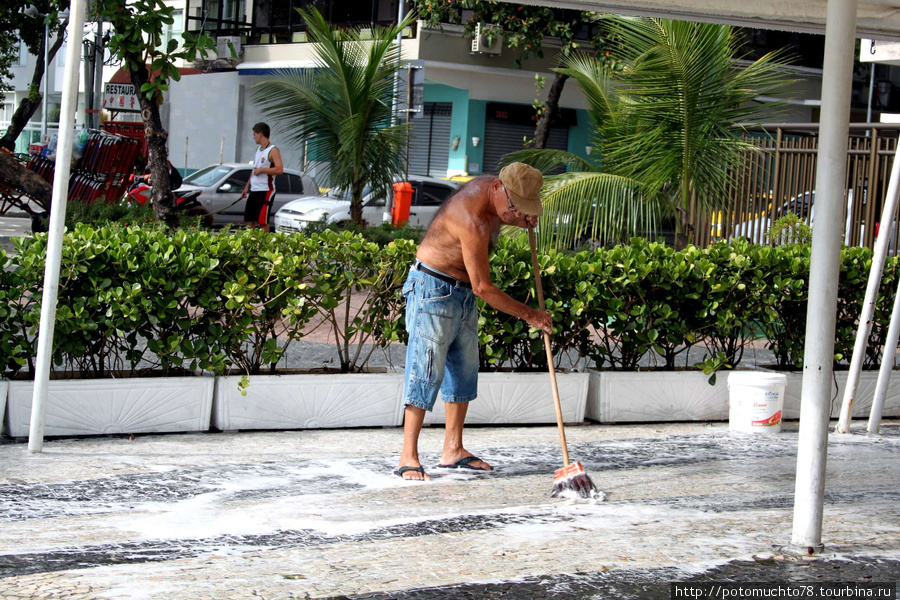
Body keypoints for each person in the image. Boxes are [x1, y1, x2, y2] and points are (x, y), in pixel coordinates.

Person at [394, 162, 553, 481]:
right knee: (425, 371)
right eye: (515, 207)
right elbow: (483, 287)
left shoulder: (496, 192)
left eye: (524, 208)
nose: (515, 214)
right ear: (497, 188)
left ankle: (453, 450)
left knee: (464, 370)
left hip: (461, 291)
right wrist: (531, 314)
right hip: (433, 289)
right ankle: (407, 456)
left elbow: (506, 215)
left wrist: (522, 217)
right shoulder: (471, 219)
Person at [240, 122, 283, 233]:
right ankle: (252, 242)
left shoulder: (273, 150)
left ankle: (264, 245)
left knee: (262, 221)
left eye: (254, 134)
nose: (253, 137)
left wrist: (263, 170)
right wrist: (246, 187)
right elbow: (254, 169)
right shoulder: (258, 150)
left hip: (266, 190)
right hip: (254, 189)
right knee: (248, 219)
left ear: (260, 134)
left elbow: (279, 170)